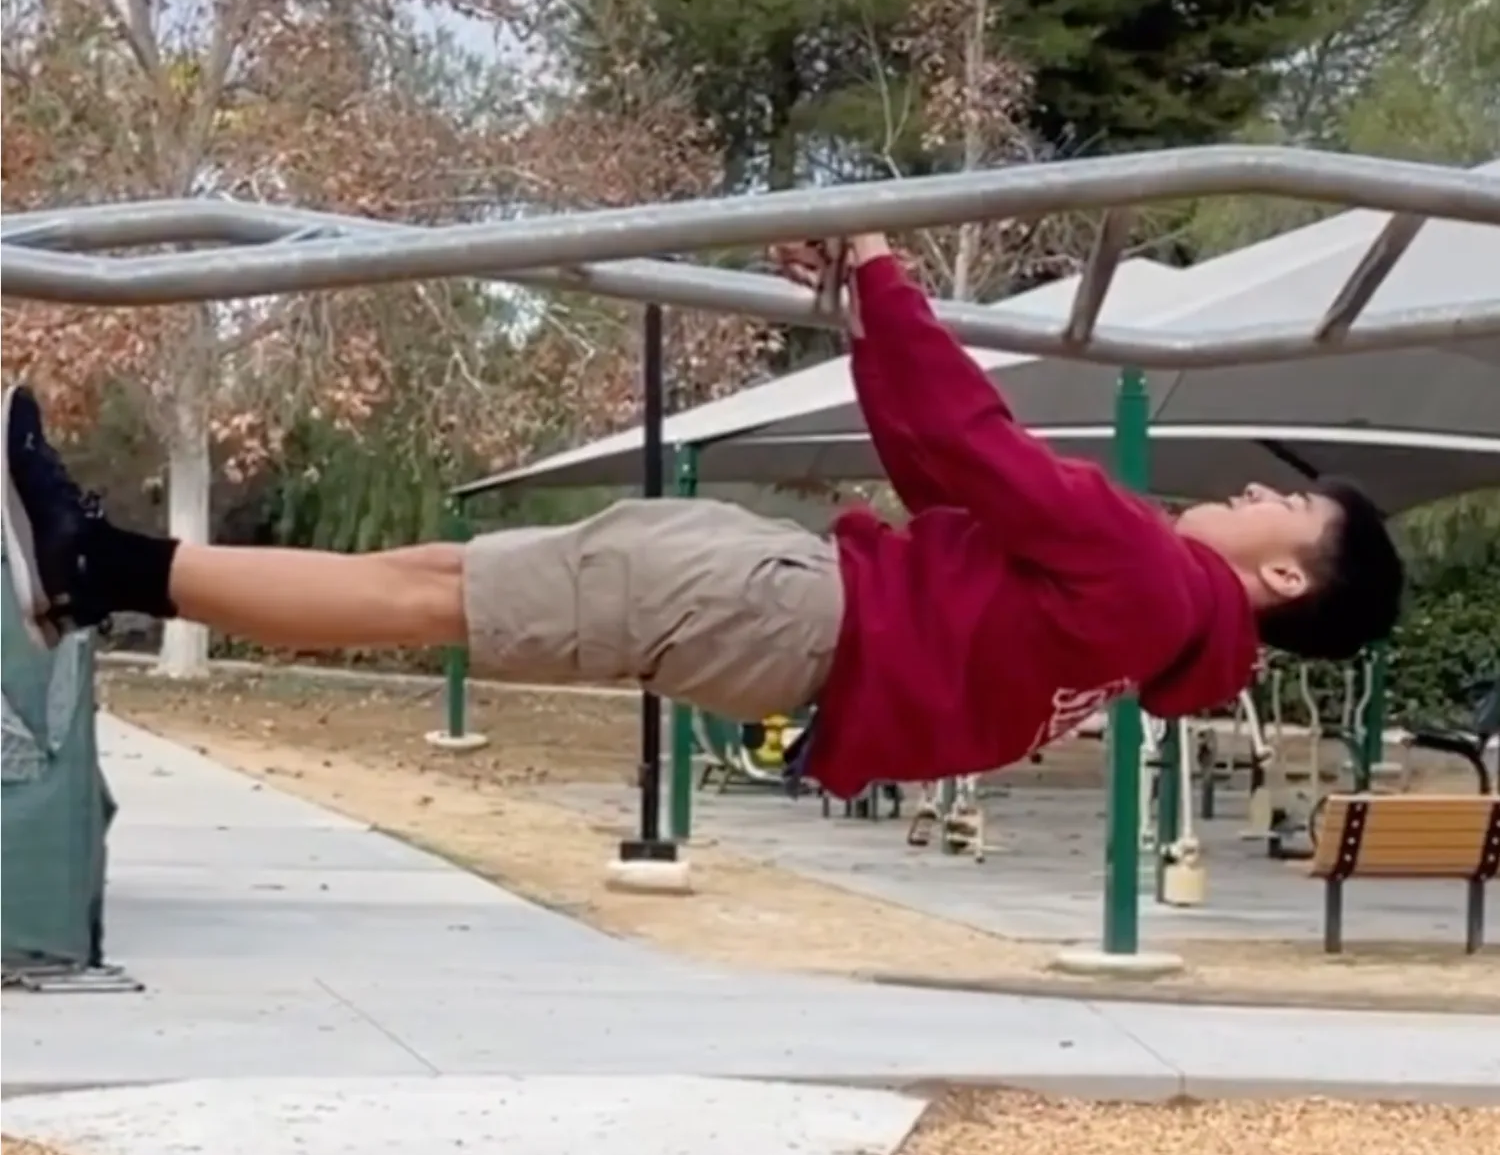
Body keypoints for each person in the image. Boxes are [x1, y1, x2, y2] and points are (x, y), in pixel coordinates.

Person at [2, 233, 1403, 800]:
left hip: (787, 608)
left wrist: (885, 266)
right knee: (425, 577)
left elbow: (981, 449)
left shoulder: (1162, 588)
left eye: (1286, 502)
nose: (1254, 490)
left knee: (435, 601)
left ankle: (95, 563)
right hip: (793, 624)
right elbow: (944, 471)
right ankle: (98, 567)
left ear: (1284, 571)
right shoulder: (1148, 644)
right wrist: (873, 309)